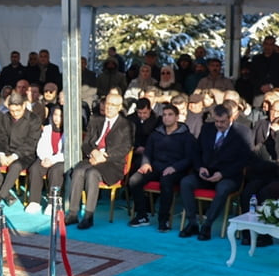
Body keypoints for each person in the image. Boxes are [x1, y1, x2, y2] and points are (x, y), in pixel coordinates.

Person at [180, 104, 252, 241]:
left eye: (222, 122)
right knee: (186, 182)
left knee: (223, 188)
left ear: (231, 118)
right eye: (216, 121)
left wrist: (223, 174)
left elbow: (244, 160)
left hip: (228, 175)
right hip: (206, 172)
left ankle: (207, 225)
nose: (219, 125)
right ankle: (192, 222)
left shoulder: (243, 132)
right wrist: (200, 167)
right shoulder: (207, 128)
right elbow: (196, 151)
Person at [64, 92, 134, 230]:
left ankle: (88, 216)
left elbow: (125, 148)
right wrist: (94, 152)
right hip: (93, 157)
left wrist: (104, 155)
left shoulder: (126, 125)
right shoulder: (95, 120)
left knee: (92, 174)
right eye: (107, 104)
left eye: (113, 105)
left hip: (113, 164)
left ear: (119, 107)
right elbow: (86, 144)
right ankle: (73, 213)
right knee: (77, 171)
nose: (109, 108)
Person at [127, 103, 197, 232]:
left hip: (175, 170)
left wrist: (175, 167)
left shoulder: (186, 136)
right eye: (164, 115)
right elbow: (148, 152)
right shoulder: (156, 134)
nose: (166, 118)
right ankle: (142, 215)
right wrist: (146, 163)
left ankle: (163, 219)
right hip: (155, 166)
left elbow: (189, 158)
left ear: (177, 117)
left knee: (166, 182)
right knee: (134, 180)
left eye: (170, 115)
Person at [0, 93, 42, 208]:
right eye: (12, 110)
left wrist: (14, 156)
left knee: (15, 166)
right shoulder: (6, 117)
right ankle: (8, 196)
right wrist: (2, 154)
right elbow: (1, 138)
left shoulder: (34, 119)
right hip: (7, 151)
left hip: (26, 154)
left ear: (24, 106)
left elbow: (31, 143)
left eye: (17, 110)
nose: (15, 114)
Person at [26, 104, 65, 215]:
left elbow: (66, 153)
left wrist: (52, 160)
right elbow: (41, 147)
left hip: (60, 159)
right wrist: (44, 158)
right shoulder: (47, 129)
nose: (57, 118)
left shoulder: (69, 131)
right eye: (55, 115)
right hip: (46, 157)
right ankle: (34, 201)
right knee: (35, 168)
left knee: (56, 171)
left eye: (60, 115)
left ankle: (53, 202)